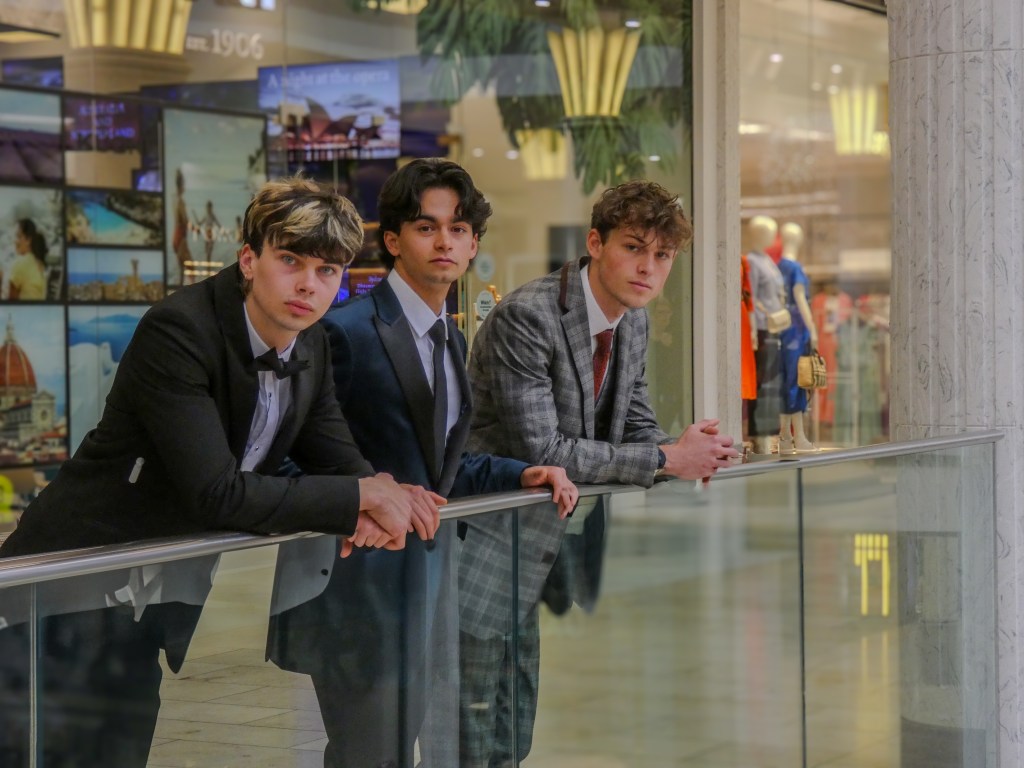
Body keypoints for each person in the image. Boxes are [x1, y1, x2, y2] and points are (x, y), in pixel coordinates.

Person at [0, 176, 442, 768]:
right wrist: (360, 495)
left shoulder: (311, 347)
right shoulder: (179, 330)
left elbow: (337, 458)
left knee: (122, 746)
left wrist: (376, 498)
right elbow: (215, 492)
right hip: (68, 583)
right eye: (290, 261)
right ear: (248, 260)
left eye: (328, 271)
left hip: (147, 594)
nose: (309, 285)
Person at [269, 158, 577, 768]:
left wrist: (519, 473)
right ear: (392, 241)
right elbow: (284, 458)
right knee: (369, 756)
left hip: (426, 588)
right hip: (354, 589)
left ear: (473, 246)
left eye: (459, 230)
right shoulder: (342, 332)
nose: (445, 242)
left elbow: (439, 468)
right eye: (426, 227)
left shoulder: (451, 338)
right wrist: (357, 498)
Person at [462, 179, 739, 765]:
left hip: (544, 542)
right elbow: (546, 449)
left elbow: (635, 425)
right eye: (634, 247)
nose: (649, 267)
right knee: (471, 725)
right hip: (483, 541)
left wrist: (687, 447)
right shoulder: (527, 317)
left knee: (514, 727)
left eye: (662, 256)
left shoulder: (631, 320)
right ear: (595, 242)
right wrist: (667, 459)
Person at [745, 214, 786, 454]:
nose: (772, 237)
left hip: (773, 327)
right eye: (768, 232)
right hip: (761, 327)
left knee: (771, 382)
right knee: (763, 383)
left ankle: (768, 433)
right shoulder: (752, 261)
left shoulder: (767, 261)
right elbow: (752, 297)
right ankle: (759, 435)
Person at [777, 221, 819, 453]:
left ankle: (785, 436)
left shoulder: (778, 266)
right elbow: (800, 298)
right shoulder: (794, 268)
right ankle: (799, 438)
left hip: (784, 330)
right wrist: (812, 329)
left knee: (788, 381)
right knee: (797, 382)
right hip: (796, 330)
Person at [8, 218, 47, 300]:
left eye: (18, 236)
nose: (15, 241)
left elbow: (11, 305)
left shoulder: (20, 263)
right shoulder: (39, 264)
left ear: (28, 240)